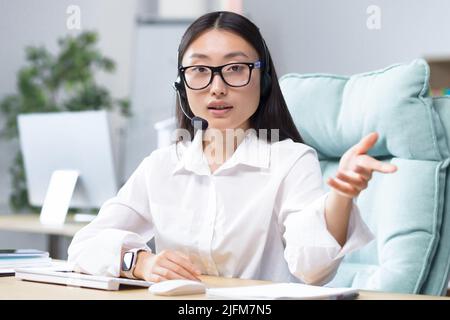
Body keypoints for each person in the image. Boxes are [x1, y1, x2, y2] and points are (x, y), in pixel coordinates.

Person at [67, 11, 397, 285]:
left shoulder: (291, 160)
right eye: (199, 70)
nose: (217, 87)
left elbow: (312, 270)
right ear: (182, 86)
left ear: (264, 79)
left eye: (235, 68)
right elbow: (83, 244)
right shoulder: (161, 166)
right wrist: (138, 262)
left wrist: (341, 196)